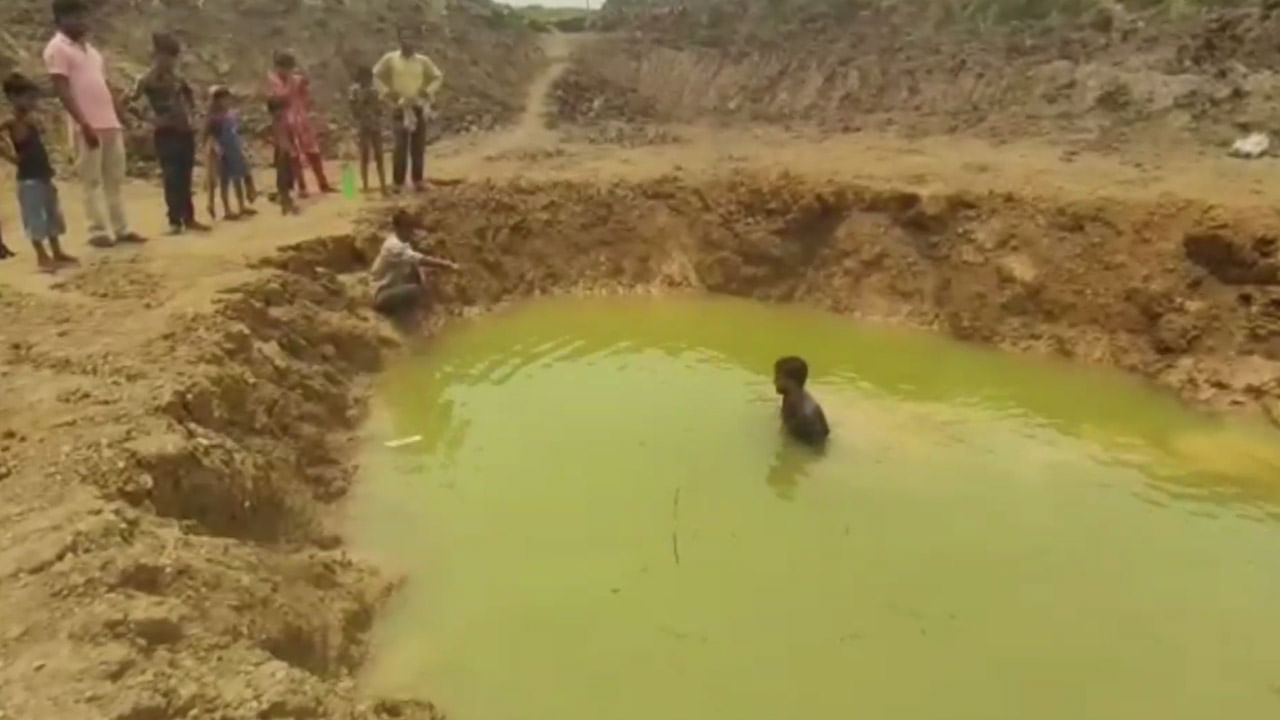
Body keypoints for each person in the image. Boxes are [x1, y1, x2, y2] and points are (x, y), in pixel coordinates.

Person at [43, 0, 146, 248]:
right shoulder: (57, 48)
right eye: (76, 16)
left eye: (83, 15)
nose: (82, 21)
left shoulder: (92, 52)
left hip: (109, 122)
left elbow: (103, 84)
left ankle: (121, 228)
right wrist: (83, 122)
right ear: (61, 19)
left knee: (114, 178)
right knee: (92, 180)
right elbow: (62, 90)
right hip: (87, 124)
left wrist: (120, 113)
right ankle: (97, 230)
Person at [131, 32, 208, 235]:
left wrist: (194, 117)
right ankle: (175, 220)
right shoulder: (147, 80)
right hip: (166, 133)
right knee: (171, 176)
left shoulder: (178, 78)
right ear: (156, 55)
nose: (170, 61)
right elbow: (130, 103)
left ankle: (188, 217)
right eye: (166, 56)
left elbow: (192, 99)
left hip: (184, 131)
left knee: (185, 176)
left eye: (173, 57)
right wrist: (150, 121)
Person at [1, 72, 77, 272]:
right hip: (28, 177)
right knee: (35, 217)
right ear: (13, 98)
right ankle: (42, 256)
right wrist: (10, 157)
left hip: (42, 173)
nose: (33, 102)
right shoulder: (11, 121)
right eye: (28, 98)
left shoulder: (31, 119)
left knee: (52, 214)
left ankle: (56, 251)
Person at [372, 26, 443, 193]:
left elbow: (438, 77)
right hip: (399, 108)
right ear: (399, 40)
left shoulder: (423, 61)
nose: (408, 42)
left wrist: (427, 91)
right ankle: (398, 183)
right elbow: (376, 75)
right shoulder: (390, 59)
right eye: (404, 38)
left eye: (411, 38)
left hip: (418, 107)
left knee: (418, 147)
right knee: (400, 147)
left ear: (416, 41)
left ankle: (418, 181)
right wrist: (387, 93)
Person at [371, 209, 459, 322]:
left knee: (422, 279)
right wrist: (448, 265)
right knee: (418, 291)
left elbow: (417, 265)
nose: (412, 231)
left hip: (392, 290)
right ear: (398, 227)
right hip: (382, 295)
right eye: (408, 227)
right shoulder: (393, 246)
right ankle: (415, 325)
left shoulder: (403, 244)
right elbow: (420, 259)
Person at [266, 50, 333, 196]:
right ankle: (302, 187)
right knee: (293, 156)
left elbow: (306, 85)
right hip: (284, 121)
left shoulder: (295, 79)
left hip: (300, 119)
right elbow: (273, 101)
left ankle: (323, 183)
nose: (286, 71)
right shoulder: (272, 82)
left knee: (313, 152)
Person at [204, 87, 254, 220]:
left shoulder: (230, 114)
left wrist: (242, 146)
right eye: (223, 99)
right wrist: (216, 148)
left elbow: (236, 132)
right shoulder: (213, 118)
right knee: (224, 180)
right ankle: (227, 209)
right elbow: (209, 136)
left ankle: (241, 206)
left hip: (234, 148)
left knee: (238, 178)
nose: (226, 101)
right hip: (222, 150)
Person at [773, 356, 830, 446]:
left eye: (778, 377)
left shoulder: (801, 412)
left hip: (812, 444)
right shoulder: (791, 395)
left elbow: (816, 445)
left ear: (790, 382)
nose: (774, 381)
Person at [348, 65, 386, 195]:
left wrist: (375, 102)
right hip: (363, 125)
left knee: (379, 155)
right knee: (365, 156)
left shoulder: (375, 90)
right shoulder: (354, 91)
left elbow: (380, 109)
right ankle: (365, 186)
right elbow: (354, 111)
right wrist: (363, 100)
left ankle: (383, 186)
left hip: (374, 124)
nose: (367, 82)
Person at [267, 96, 299, 216]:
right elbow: (281, 139)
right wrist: (290, 150)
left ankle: (287, 203)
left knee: (288, 178)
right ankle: (286, 204)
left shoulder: (281, 121)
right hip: (283, 152)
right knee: (283, 179)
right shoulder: (277, 123)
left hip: (285, 151)